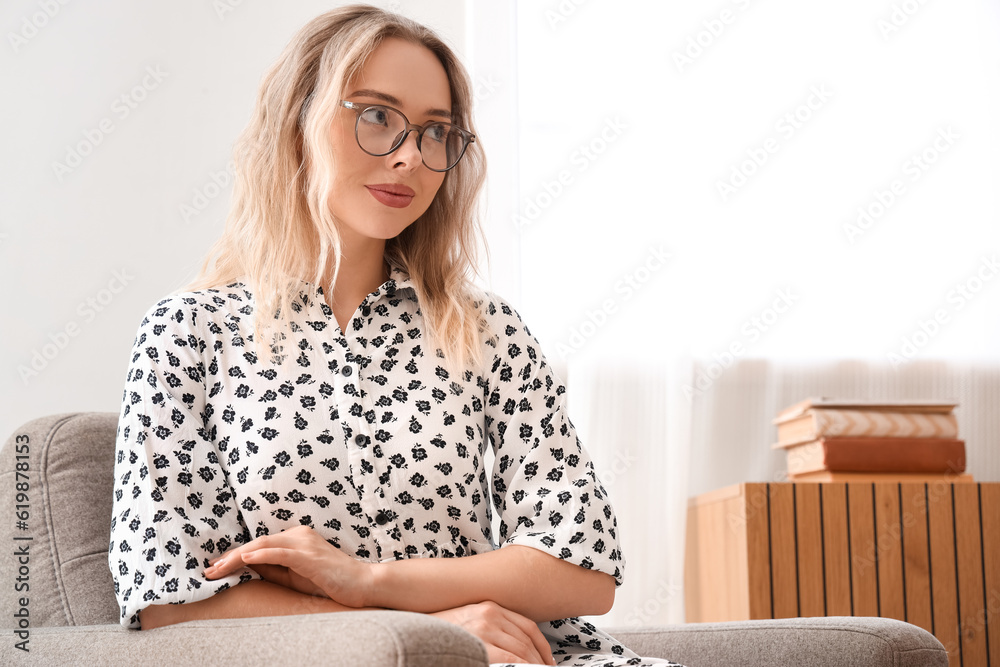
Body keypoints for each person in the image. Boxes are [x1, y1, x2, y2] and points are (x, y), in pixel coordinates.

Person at [107, 5, 682, 666]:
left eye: (436, 132)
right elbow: (168, 600)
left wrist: (370, 580)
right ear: (297, 120)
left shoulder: (488, 331)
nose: (411, 155)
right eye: (377, 115)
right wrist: (425, 630)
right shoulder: (186, 334)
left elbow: (582, 566)